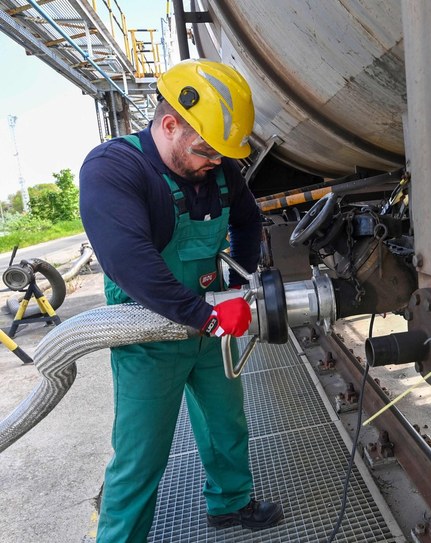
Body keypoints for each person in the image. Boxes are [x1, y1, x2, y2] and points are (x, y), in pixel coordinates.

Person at [79, 59, 283, 542]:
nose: (215, 161)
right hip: (147, 332)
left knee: (225, 420)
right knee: (141, 453)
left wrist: (239, 287)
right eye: (205, 150)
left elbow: (248, 221)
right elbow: (131, 263)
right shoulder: (115, 168)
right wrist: (206, 317)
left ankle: (230, 503)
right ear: (170, 125)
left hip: (210, 318)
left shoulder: (221, 171)